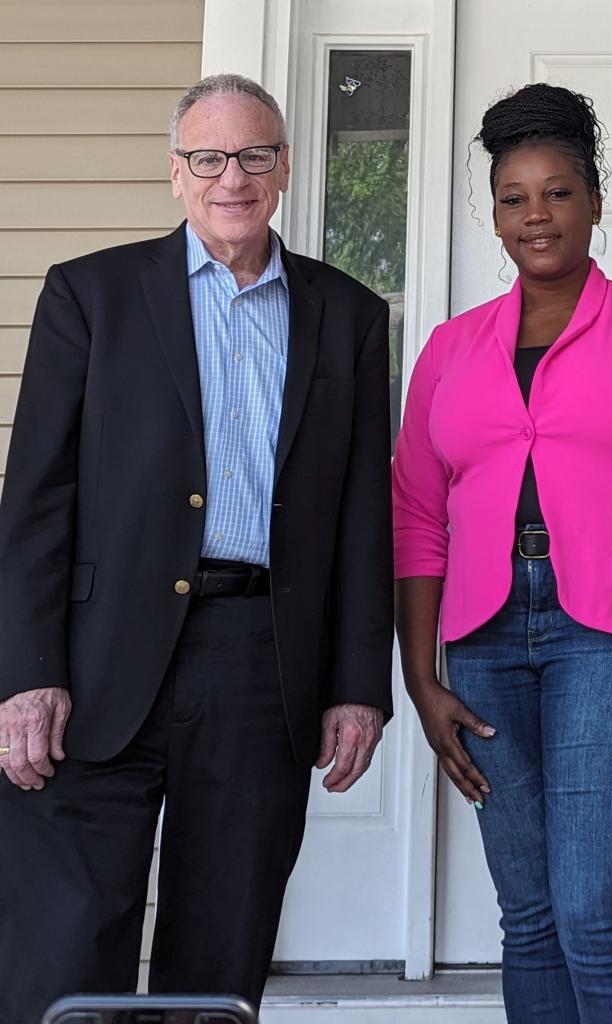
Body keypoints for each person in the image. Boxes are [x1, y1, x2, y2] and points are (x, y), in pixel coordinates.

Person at [0, 74, 394, 1022]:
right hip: (95, 667)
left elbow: (360, 514)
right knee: (60, 949)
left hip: (260, 662)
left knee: (219, 956)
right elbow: (34, 502)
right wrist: (26, 673)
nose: (233, 178)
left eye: (254, 155)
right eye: (209, 158)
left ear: (286, 168)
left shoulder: (347, 315)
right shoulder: (89, 296)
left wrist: (357, 683)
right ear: (175, 172)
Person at [392, 83, 612, 1023]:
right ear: (494, 212)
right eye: (514, 196)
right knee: (531, 918)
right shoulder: (448, 349)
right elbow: (417, 518)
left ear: (594, 201)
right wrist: (422, 678)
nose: (535, 215)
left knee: (594, 915)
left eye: (557, 192)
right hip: (481, 637)